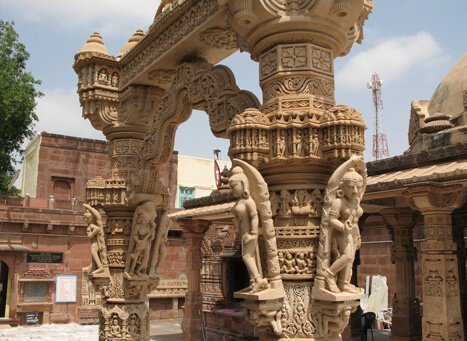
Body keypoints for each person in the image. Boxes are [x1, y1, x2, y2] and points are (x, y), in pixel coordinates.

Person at [229, 166, 268, 293]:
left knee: (247, 257)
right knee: (247, 256)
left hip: (250, 233)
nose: (231, 190)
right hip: (244, 234)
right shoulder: (240, 202)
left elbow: (254, 216)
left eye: (234, 186)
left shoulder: (248, 201)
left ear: (243, 184)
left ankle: (259, 280)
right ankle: (253, 281)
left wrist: (253, 233)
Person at [325, 168, 363, 293]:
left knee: (351, 258)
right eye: (351, 187)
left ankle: (344, 283)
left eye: (358, 187)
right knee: (347, 256)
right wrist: (343, 227)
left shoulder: (356, 200)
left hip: (353, 231)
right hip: (341, 231)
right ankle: (329, 274)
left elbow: (355, 219)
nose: (355, 191)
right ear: (342, 187)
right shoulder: (338, 202)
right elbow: (331, 220)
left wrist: (357, 235)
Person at [83, 204, 107, 275]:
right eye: (85, 218)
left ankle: (100, 267)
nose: (85, 220)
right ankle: (95, 266)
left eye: (87, 218)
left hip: (96, 242)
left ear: (91, 218)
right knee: (93, 253)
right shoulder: (90, 225)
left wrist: (91, 234)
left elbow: (97, 228)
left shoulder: (92, 225)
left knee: (93, 251)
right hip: (93, 242)